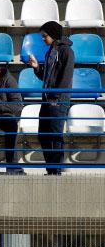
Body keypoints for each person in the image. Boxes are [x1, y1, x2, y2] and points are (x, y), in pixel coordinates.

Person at [29, 21, 75, 175]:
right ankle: (51, 169)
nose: (43, 39)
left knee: (55, 136)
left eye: (45, 36)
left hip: (58, 100)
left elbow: (65, 77)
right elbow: (47, 77)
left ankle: (56, 171)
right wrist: (37, 68)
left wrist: (55, 96)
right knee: (43, 134)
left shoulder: (66, 51)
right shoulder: (51, 50)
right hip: (47, 99)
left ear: (53, 35)